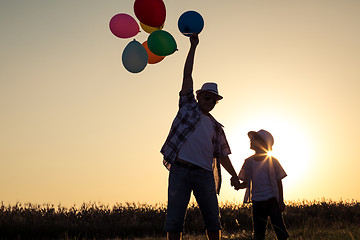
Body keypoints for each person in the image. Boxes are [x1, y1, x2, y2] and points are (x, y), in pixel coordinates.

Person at [160, 34, 241, 240]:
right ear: (198, 96)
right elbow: (187, 75)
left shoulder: (216, 127)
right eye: (207, 97)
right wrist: (193, 47)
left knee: (213, 220)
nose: (210, 102)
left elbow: (222, 155)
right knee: (175, 220)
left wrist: (234, 175)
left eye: (214, 100)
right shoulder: (188, 107)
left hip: (204, 174)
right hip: (180, 170)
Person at [232, 129, 289, 240]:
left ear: (263, 143)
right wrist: (237, 185)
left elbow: (278, 181)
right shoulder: (248, 162)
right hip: (257, 202)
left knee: (280, 230)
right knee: (258, 233)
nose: (251, 141)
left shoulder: (272, 161)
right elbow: (247, 182)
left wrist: (281, 201)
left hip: (272, 201)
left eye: (254, 138)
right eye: (251, 139)